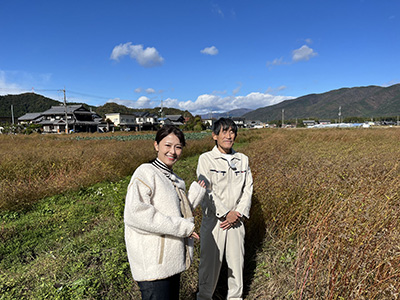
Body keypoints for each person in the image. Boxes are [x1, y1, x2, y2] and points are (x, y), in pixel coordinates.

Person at [124, 125, 206, 300]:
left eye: (178, 147)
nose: (173, 152)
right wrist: (184, 228)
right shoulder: (146, 172)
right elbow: (136, 214)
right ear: (156, 146)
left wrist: (196, 194)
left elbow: (177, 215)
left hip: (171, 262)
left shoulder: (175, 179)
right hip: (154, 265)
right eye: (167, 145)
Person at [196, 118, 253, 300]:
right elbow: (205, 190)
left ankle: (235, 298)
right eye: (224, 132)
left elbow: (248, 188)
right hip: (215, 223)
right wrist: (225, 213)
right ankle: (204, 297)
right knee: (209, 266)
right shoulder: (206, 159)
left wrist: (238, 213)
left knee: (236, 266)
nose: (229, 136)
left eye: (232, 132)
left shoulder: (242, 160)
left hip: (237, 221)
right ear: (215, 136)